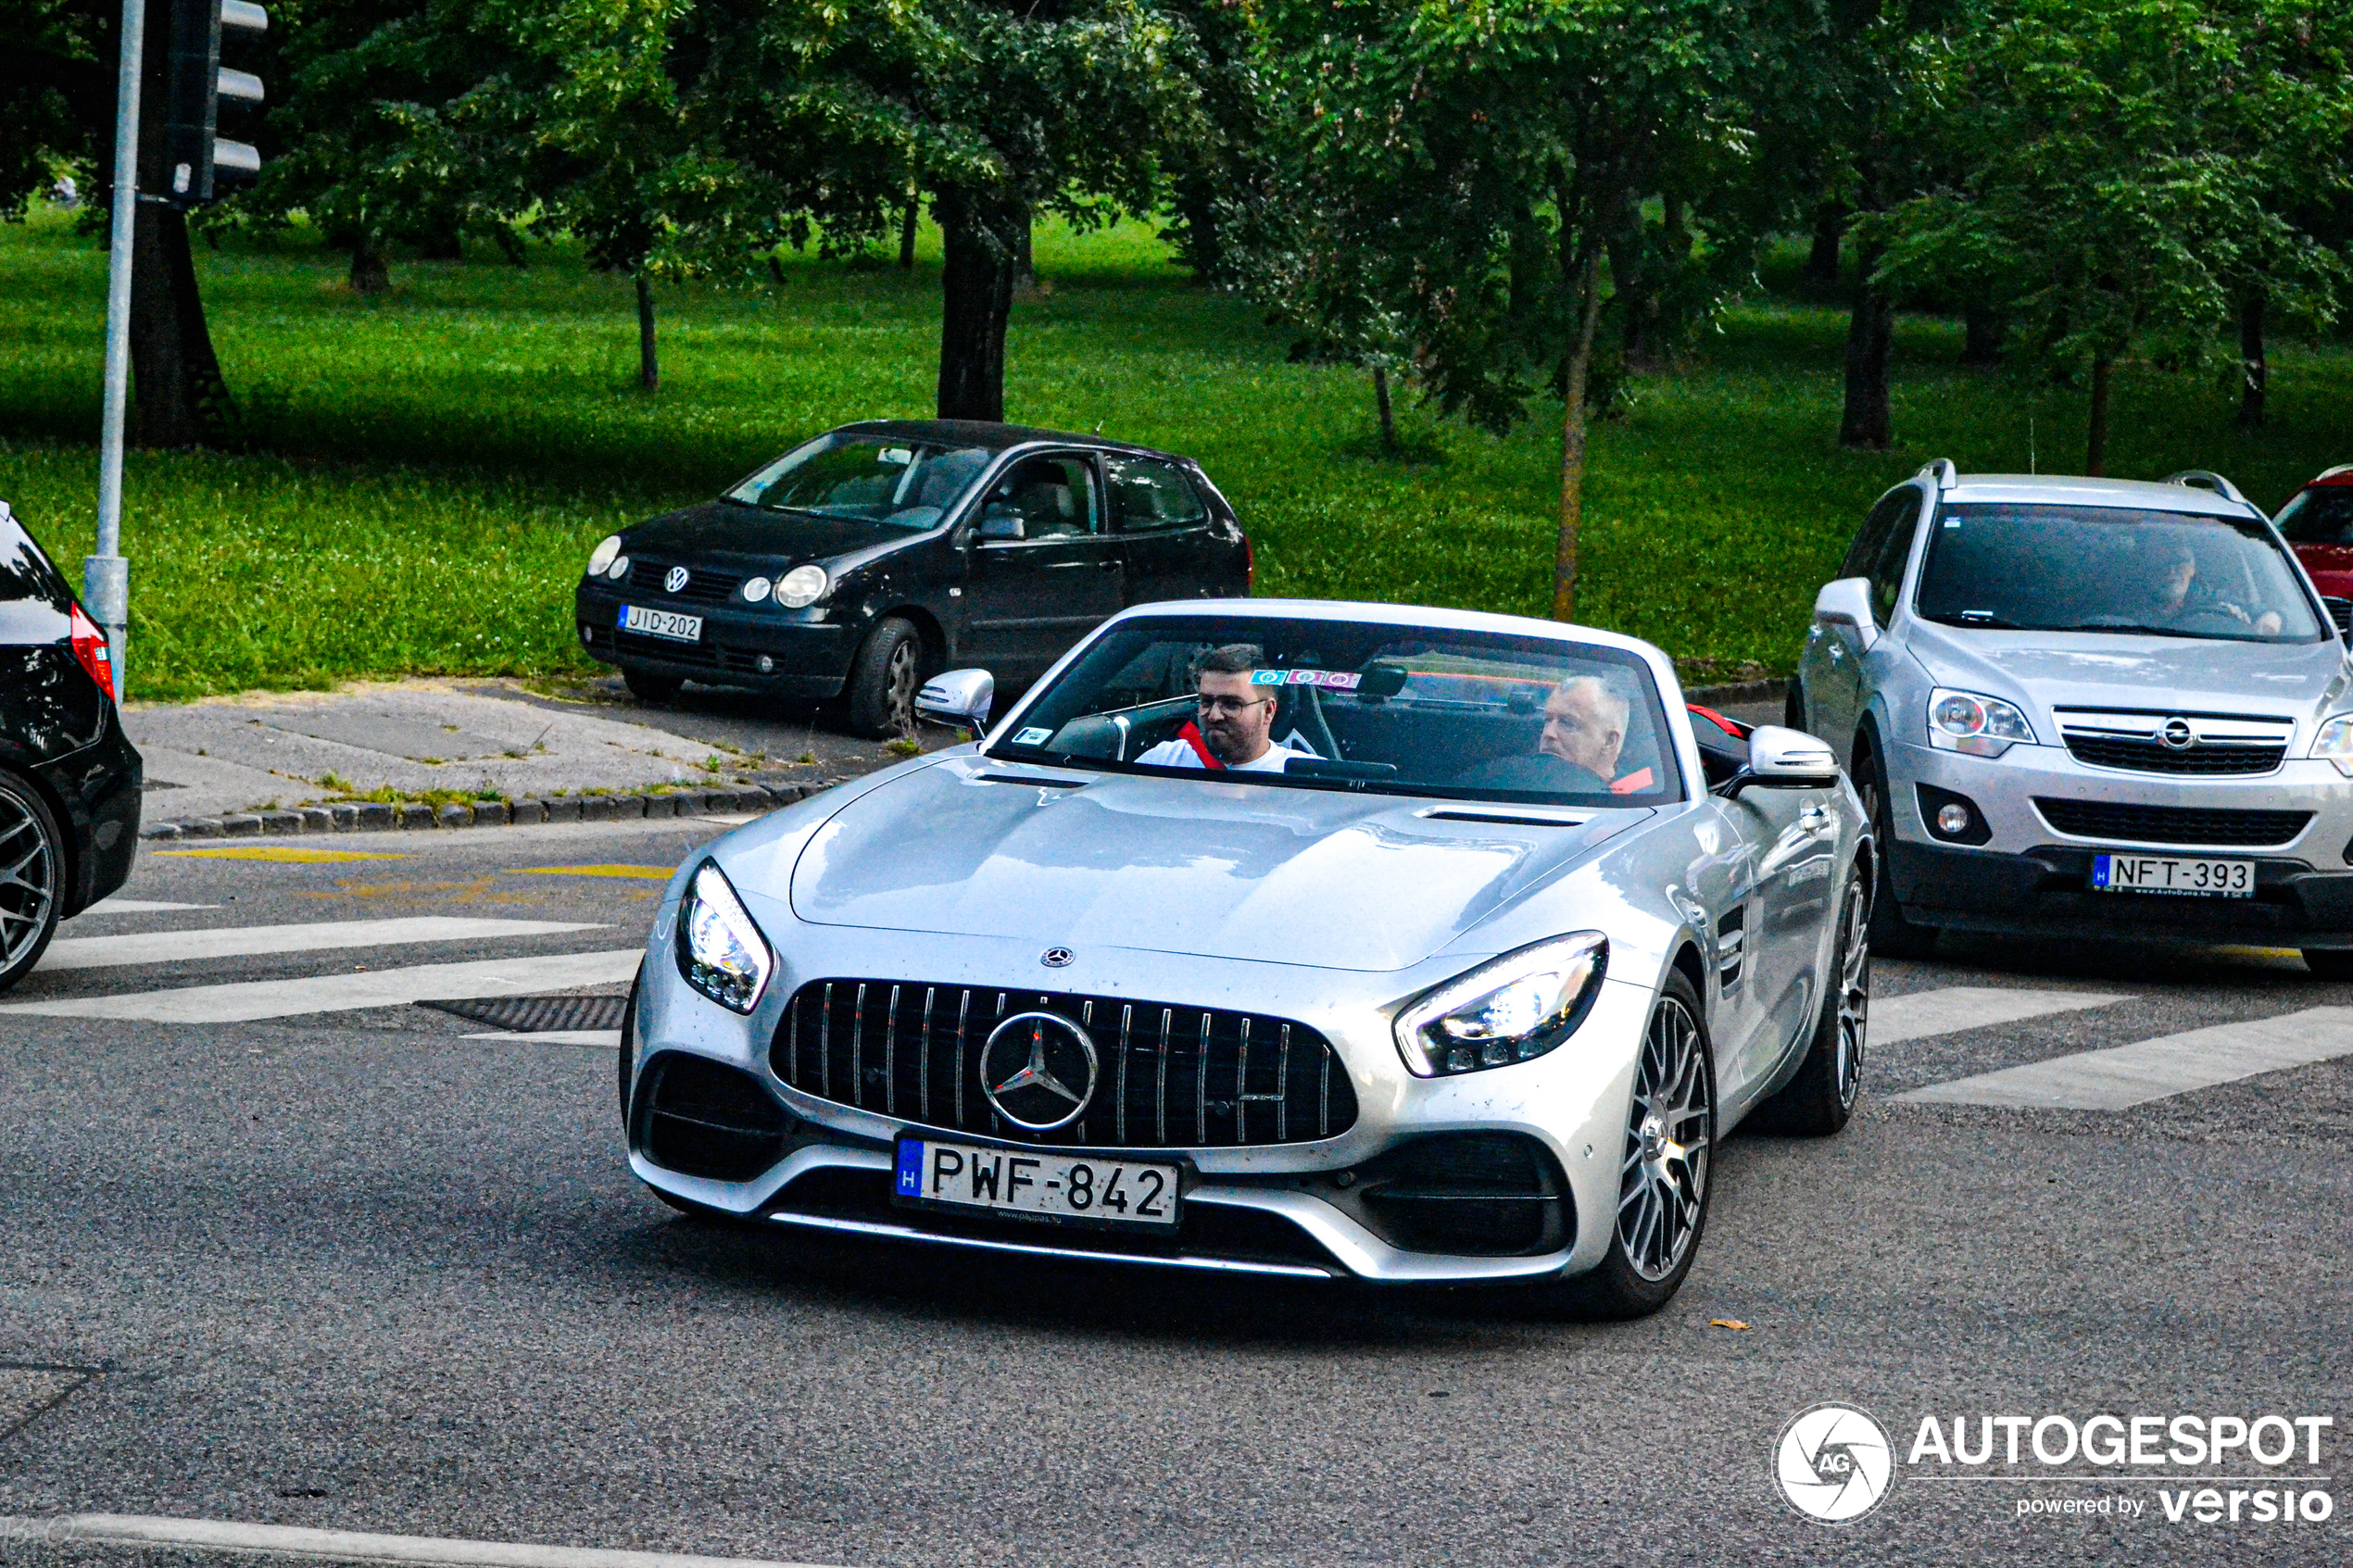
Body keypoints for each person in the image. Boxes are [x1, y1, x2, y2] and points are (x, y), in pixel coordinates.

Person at [1135, 645, 1320, 772]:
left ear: (1268, 711)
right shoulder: (1162, 761)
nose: (1214, 716)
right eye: (1206, 702)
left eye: (1231, 704)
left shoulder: (1305, 775)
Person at [1453, 674, 1639, 793]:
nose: (1549, 733)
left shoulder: (1633, 801)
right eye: (1548, 720)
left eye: (1567, 723)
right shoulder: (1504, 778)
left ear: (1609, 741)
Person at [2143, 538, 2283, 635]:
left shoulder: (2218, 600)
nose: (2171, 571)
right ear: (2147, 570)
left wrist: (2272, 618)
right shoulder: (2128, 608)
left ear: (2193, 569)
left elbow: (2269, 611)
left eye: (2179, 562)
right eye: (2161, 564)